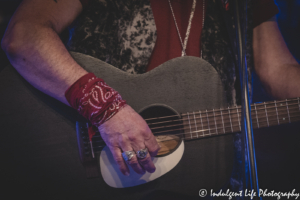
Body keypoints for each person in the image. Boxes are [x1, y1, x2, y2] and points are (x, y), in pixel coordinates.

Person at [1, 0, 300, 198]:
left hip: (207, 181)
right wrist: (107, 110)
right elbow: (23, 35)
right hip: (90, 161)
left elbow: (278, 70)